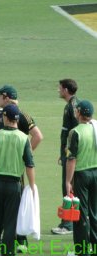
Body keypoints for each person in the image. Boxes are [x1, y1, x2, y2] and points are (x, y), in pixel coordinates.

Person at [0, 85, 43, 253]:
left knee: (11, 209)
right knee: (12, 207)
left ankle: (19, 241)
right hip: (9, 169)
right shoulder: (0, 116)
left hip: (4, 172)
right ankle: (12, 245)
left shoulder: (20, 115)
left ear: (6, 97)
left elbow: (38, 136)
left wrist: (24, 156)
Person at [66, 100, 97, 256]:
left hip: (82, 175)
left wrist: (67, 181)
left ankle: (82, 251)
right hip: (96, 173)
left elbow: (72, 159)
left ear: (78, 112)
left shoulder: (75, 132)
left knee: (81, 213)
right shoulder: (95, 128)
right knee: (94, 212)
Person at [51, 79, 79, 235]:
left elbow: (75, 132)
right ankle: (72, 221)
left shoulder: (72, 107)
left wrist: (68, 153)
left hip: (71, 155)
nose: (58, 90)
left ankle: (68, 224)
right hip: (68, 153)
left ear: (66, 90)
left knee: (68, 186)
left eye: (60, 88)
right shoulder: (72, 105)